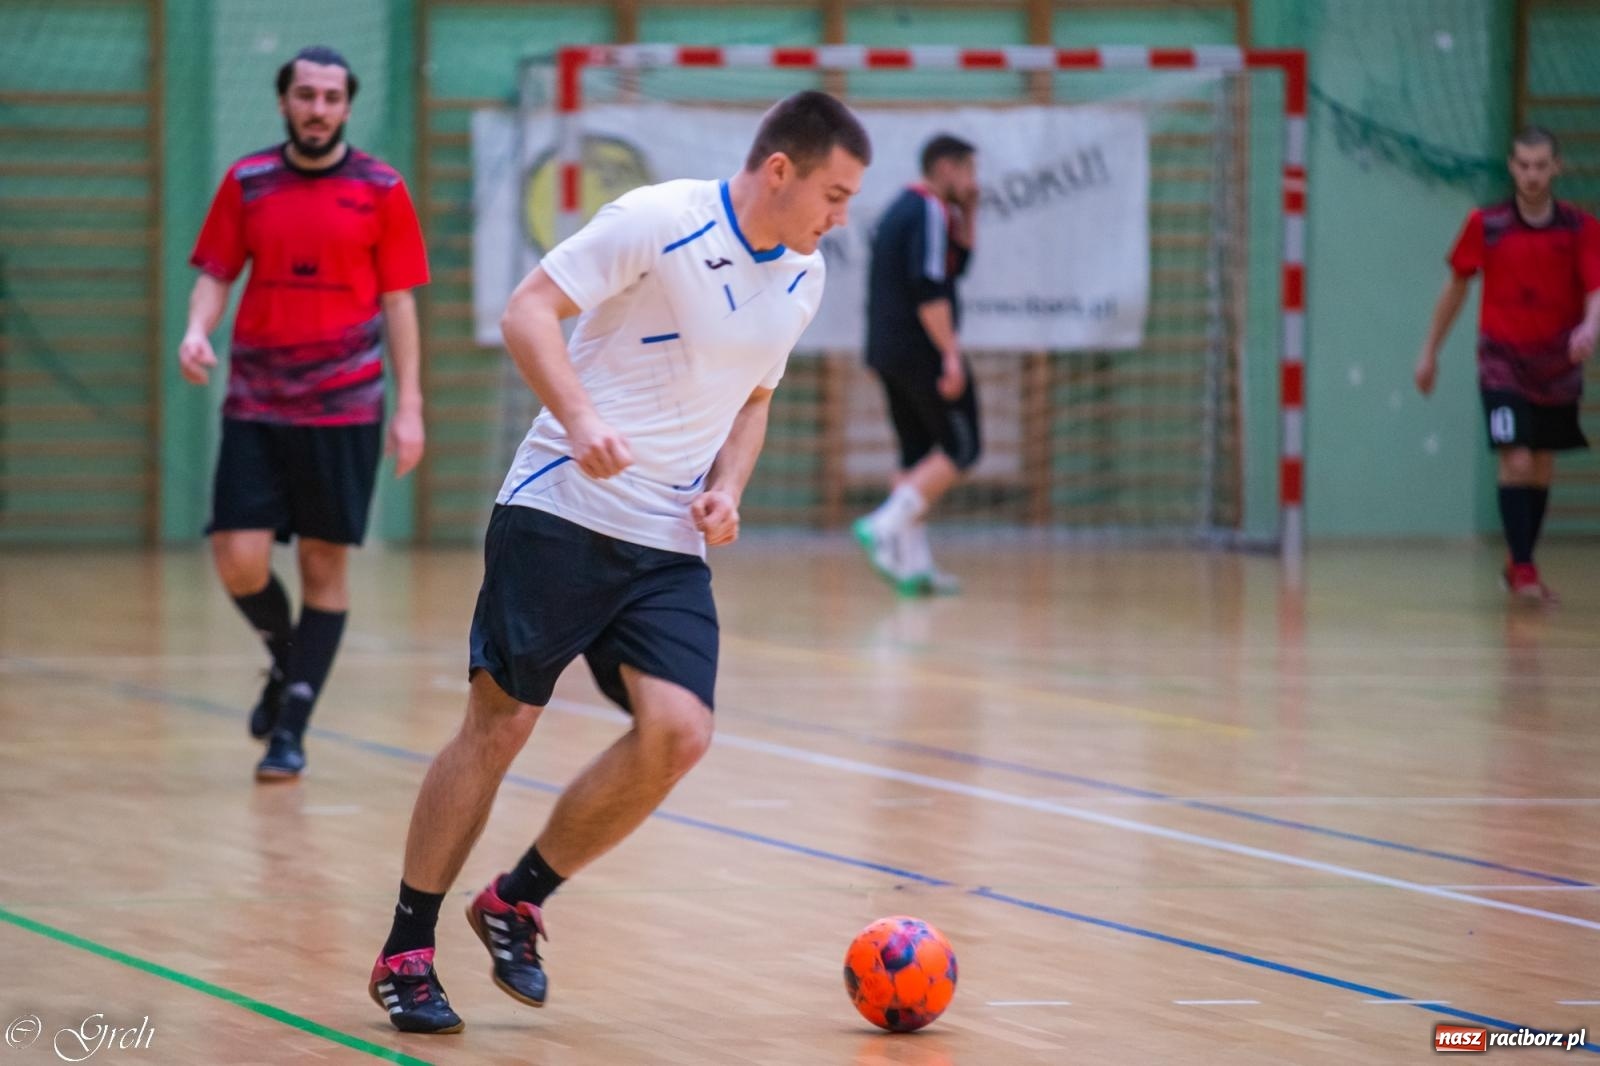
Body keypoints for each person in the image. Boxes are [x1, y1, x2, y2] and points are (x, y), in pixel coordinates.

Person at [367, 91, 871, 1035]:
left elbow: (755, 395)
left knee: (679, 732)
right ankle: (406, 947)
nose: (839, 217)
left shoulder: (805, 275)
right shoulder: (657, 219)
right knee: (500, 728)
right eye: (833, 195)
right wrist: (584, 419)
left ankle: (516, 899)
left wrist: (730, 486)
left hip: (667, 538)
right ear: (779, 172)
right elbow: (528, 315)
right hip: (560, 508)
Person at [179, 45, 429, 780]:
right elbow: (216, 274)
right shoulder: (248, 181)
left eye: (331, 97)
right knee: (238, 557)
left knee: (324, 564)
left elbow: (399, 302)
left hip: (346, 406)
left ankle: (292, 726)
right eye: (305, 95)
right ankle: (287, 660)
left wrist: (407, 408)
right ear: (284, 102)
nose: (318, 108)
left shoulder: (382, 187)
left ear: (347, 106)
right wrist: (198, 330)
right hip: (257, 400)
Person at [1415, 126, 1600, 600]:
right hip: (1502, 363)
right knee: (1515, 457)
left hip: (1557, 364)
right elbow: (1455, 287)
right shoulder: (1487, 223)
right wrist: (1429, 349)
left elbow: (1597, 288)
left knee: (1539, 467)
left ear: (1556, 167)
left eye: (1542, 166)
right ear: (1512, 166)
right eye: (1524, 165)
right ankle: (1523, 568)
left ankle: (1520, 559)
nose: (1533, 175)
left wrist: (1590, 327)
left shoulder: (1580, 227)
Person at [853, 134, 981, 595]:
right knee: (963, 447)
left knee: (916, 454)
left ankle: (913, 567)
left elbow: (956, 265)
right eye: (968, 170)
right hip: (918, 348)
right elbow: (930, 288)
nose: (972, 182)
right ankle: (885, 523)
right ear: (946, 168)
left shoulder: (909, 210)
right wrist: (950, 354)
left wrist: (971, 210)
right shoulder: (926, 208)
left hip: (889, 350)